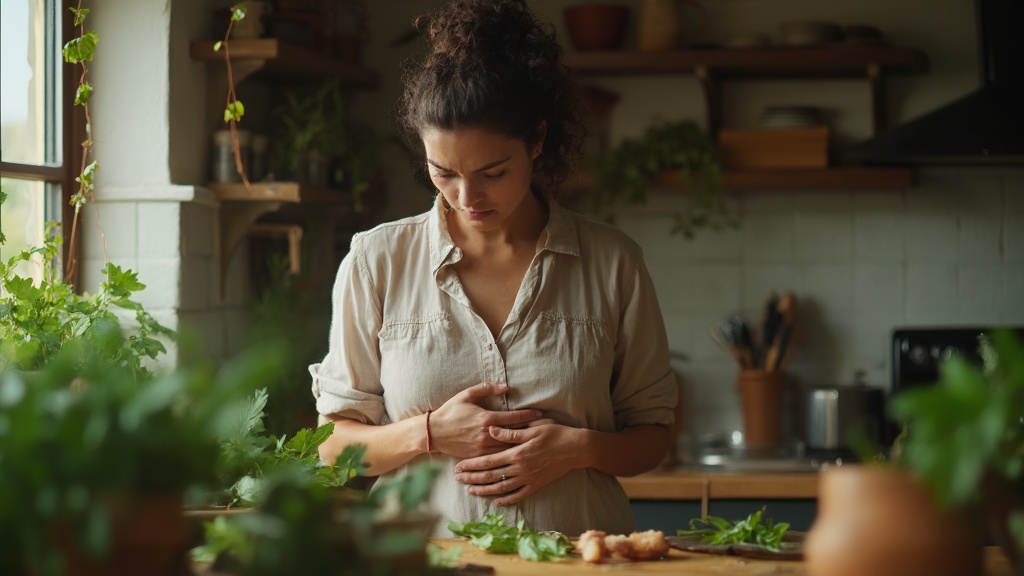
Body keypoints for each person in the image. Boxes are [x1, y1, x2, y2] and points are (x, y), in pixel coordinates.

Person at [310, 0, 678, 537]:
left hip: (577, 563)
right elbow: (332, 448)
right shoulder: (376, 262)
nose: (467, 196)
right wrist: (430, 433)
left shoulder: (613, 262)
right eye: (443, 172)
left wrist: (579, 448)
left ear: (537, 142)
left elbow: (653, 435)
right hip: (423, 565)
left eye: (492, 172)